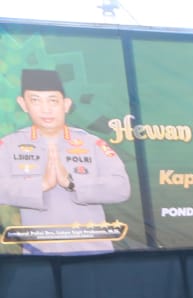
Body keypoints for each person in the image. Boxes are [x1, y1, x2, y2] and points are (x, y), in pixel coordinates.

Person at [0, 69, 131, 255]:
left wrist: (72, 183)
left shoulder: (92, 144)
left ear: (66, 104)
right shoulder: (9, 145)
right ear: (23, 104)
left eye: (53, 100)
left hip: (92, 249)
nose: (46, 109)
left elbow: (121, 188)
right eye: (35, 100)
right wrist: (40, 185)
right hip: (39, 251)